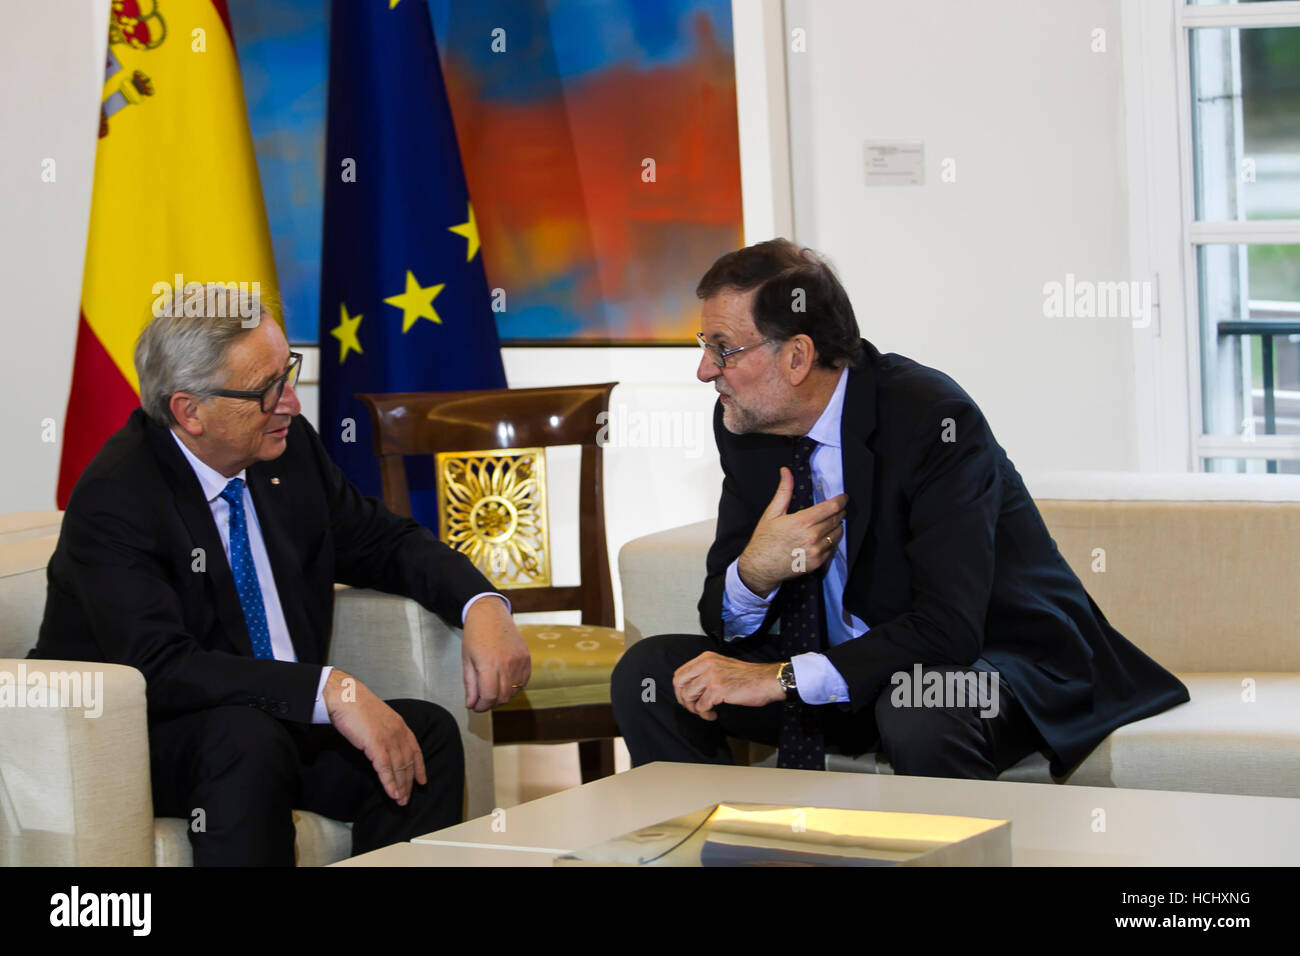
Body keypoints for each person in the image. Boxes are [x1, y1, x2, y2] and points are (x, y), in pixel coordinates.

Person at [611, 239, 1189, 779]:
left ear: (797, 356)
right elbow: (722, 617)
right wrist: (754, 574)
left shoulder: (930, 418)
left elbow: (949, 630)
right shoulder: (744, 424)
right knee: (653, 675)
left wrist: (782, 678)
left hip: (991, 663)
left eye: (723, 349)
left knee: (918, 703)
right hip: (843, 673)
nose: (705, 370)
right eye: (704, 346)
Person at [33, 287, 531, 865]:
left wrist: (482, 603)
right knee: (246, 739)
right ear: (189, 411)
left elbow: (383, 541)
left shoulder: (285, 454)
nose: (291, 402)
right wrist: (329, 691)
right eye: (266, 390)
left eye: (287, 373)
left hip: (274, 721)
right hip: (145, 738)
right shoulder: (118, 495)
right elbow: (160, 666)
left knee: (426, 738)